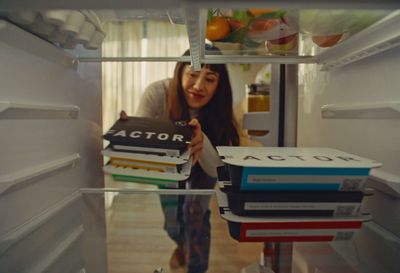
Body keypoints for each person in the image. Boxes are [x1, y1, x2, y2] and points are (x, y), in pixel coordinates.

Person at [122, 45, 240, 273]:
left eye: (210, 79)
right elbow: (137, 146)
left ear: (219, 85)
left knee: (195, 213)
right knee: (172, 223)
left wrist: (201, 141)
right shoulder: (158, 93)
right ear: (179, 72)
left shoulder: (220, 110)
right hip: (166, 161)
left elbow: (220, 171)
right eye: (193, 74)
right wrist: (129, 131)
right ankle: (180, 243)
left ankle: (196, 265)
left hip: (205, 166)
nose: (198, 86)